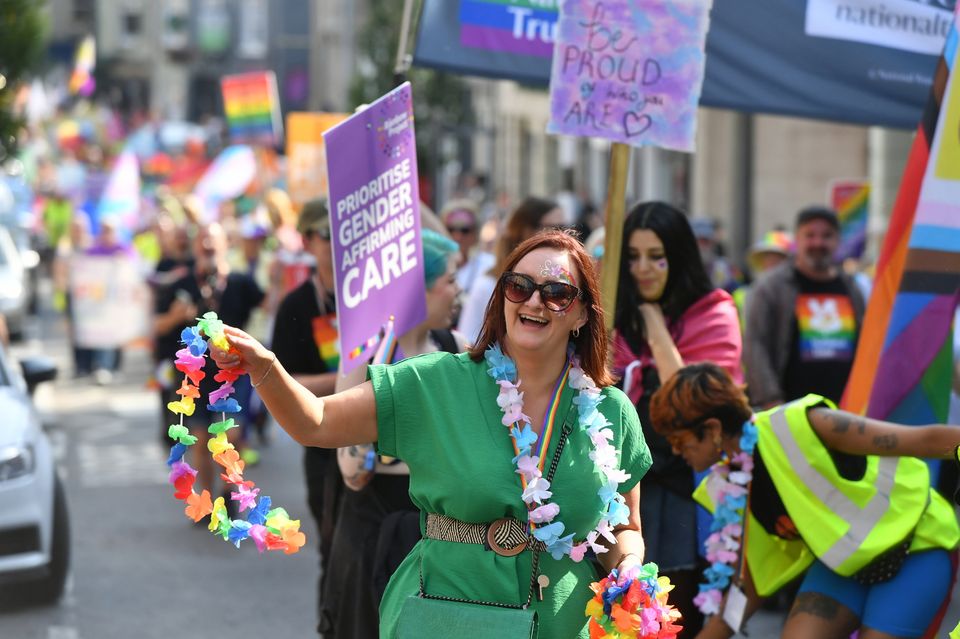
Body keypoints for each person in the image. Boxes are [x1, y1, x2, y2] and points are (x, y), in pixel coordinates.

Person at [211, 230, 652, 637]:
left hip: (563, 623)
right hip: (447, 613)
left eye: (556, 294)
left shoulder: (612, 412)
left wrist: (631, 567)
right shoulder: (433, 382)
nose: (535, 301)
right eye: (520, 286)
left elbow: (623, 528)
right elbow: (316, 422)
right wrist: (266, 367)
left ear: (580, 315)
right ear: (502, 298)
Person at [649, 362, 960, 639]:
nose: (676, 451)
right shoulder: (730, 485)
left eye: (679, 440)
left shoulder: (802, 423)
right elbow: (749, 587)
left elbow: (922, 440)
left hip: (915, 547)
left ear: (713, 429)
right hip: (844, 567)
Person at [320, 229, 468, 638]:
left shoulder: (457, 347)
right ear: (417, 292)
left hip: (440, 526)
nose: (459, 292)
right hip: (372, 522)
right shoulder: (364, 353)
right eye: (450, 281)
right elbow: (350, 468)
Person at [612, 201, 743, 637]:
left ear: (680, 257)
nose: (643, 268)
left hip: (689, 496)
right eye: (632, 257)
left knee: (675, 617)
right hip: (619, 492)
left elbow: (693, 406)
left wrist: (654, 326)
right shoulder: (610, 319)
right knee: (621, 618)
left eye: (656, 256)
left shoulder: (715, 314)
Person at [268, 199, 343, 635]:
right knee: (334, 550)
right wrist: (347, 378)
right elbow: (284, 381)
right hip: (326, 442)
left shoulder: (372, 295)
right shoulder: (298, 303)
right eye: (329, 236)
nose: (338, 246)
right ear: (309, 241)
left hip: (384, 443)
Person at [153, 223, 264, 505]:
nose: (206, 245)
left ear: (226, 244)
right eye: (201, 240)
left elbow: (269, 308)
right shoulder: (181, 284)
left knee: (233, 435)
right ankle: (208, 496)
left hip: (234, 372)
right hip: (196, 376)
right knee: (201, 439)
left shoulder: (240, 282)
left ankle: (230, 491)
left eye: (212, 240)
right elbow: (158, 325)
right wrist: (177, 317)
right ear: (194, 247)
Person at [744, 206, 866, 408]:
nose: (818, 243)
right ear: (797, 240)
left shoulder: (852, 288)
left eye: (826, 236)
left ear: (837, 241)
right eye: (810, 235)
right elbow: (755, 345)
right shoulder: (770, 287)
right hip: (789, 413)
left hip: (846, 414)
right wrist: (771, 401)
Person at [457, 196, 566, 344]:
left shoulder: (565, 281)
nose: (562, 236)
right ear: (527, 231)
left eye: (565, 228)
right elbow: (468, 340)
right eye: (553, 228)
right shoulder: (487, 285)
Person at [732, 230, 793, 334]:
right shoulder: (741, 296)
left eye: (779, 259)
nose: (772, 264)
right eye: (768, 258)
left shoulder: (800, 296)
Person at [440, 199, 494, 304]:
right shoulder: (433, 268)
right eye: (451, 229)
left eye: (465, 230)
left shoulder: (490, 266)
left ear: (475, 234)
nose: (458, 236)